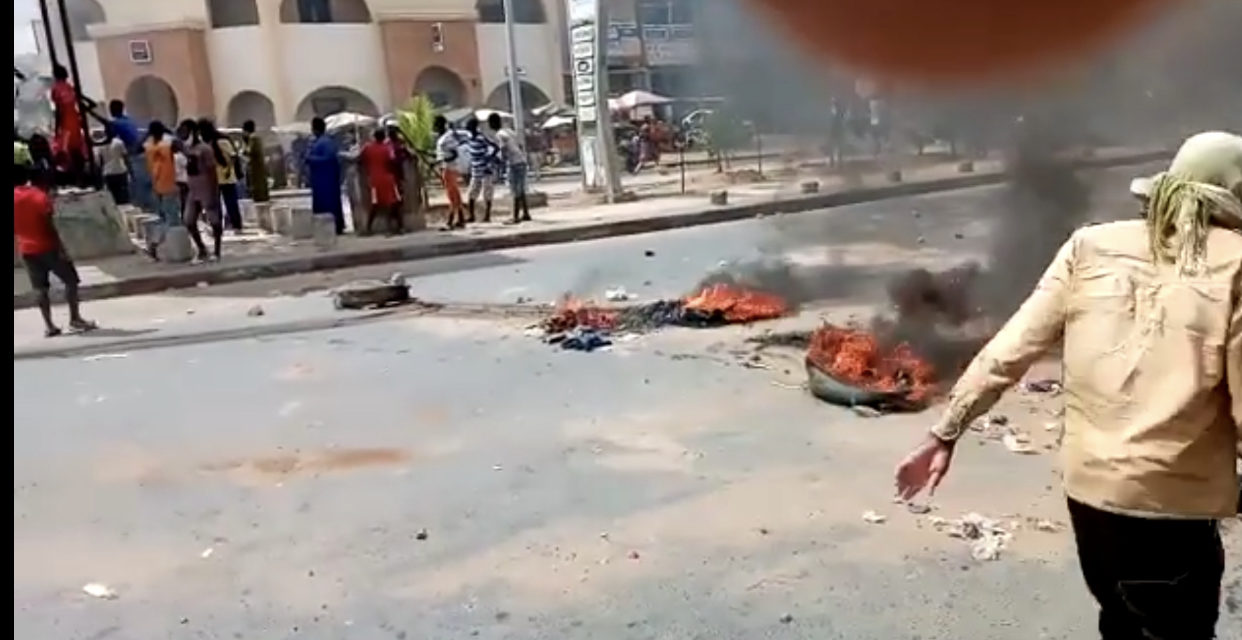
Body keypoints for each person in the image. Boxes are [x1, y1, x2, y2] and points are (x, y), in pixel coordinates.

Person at [895, 131, 1242, 640]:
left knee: (1120, 619)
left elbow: (1010, 348)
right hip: (1172, 513)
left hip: (1090, 502)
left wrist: (944, 433)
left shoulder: (1090, 245)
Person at [14, 159, 95, 337]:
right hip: (47, 246)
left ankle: (49, 325)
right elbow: (49, 224)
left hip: (27, 249)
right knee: (71, 280)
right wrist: (61, 247)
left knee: (40, 289)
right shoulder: (39, 196)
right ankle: (75, 319)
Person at [182, 120, 223, 261]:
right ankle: (201, 248)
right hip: (192, 190)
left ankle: (217, 251)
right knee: (188, 220)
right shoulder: (186, 149)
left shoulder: (205, 149)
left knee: (214, 220)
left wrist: (214, 190)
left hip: (206, 187)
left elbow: (212, 171)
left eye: (186, 131)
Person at [143, 121, 180, 259]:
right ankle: (155, 244)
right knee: (172, 220)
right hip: (169, 184)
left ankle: (158, 244)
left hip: (157, 184)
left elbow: (136, 148)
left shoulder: (149, 145)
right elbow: (179, 146)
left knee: (164, 217)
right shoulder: (167, 144)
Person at [488, 112, 532, 224]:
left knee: (515, 190)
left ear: (492, 124)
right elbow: (520, 145)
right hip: (521, 160)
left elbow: (503, 149)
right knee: (520, 189)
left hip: (514, 163)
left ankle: (515, 216)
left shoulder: (499, 134)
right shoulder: (509, 131)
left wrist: (500, 163)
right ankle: (526, 213)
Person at [109, 99, 151, 211]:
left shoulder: (115, 123)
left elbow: (109, 131)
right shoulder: (129, 120)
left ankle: (144, 210)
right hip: (142, 154)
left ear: (111, 110)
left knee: (138, 189)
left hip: (134, 155)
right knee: (146, 186)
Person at [200, 120, 243, 231]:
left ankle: (233, 224)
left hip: (224, 176)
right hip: (216, 178)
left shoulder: (221, 140)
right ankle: (223, 224)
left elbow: (233, 157)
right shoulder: (208, 142)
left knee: (229, 203)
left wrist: (229, 169)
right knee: (222, 203)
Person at [49, 64, 88, 185]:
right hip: (75, 120)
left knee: (66, 151)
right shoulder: (70, 87)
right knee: (76, 149)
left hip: (66, 122)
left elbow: (59, 110)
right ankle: (81, 177)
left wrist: (56, 128)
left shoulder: (56, 89)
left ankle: (75, 178)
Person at [358, 128, 402, 235]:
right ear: (384, 137)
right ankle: (395, 227)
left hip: (374, 178)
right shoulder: (388, 148)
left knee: (375, 204)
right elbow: (393, 161)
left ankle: (368, 228)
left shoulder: (368, 148)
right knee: (393, 202)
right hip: (387, 178)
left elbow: (360, 159)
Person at [305, 117, 344, 234]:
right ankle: (322, 226)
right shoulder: (316, 142)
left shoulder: (326, 142)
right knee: (320, 204)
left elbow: (330, 158)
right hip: (319, 179)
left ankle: (335, 226)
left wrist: (311, 159)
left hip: (327, 179)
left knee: (329, 203)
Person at [434, 115, 470, 229]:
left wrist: (441, 160)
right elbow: (443, 154)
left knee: (452, 195)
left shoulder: (448, 137)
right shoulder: (444, 137)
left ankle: (451, 221)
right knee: (455, 195)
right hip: (448, 168)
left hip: (449, 168)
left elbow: (454, 154)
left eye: (436, 125)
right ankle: (460, 219)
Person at [464, 117, 499, 223]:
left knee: (487, 193)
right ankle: (472, 216)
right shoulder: (469, 138)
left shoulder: (480, 138)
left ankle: (487, 216)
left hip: (485, 169)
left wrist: (490, 158)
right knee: (471, 193)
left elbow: (495, 147)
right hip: (475, 169)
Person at [98, 123, 130, 205]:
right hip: (120, 171)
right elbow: (125, 158)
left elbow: (101, 162)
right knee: (124, 198)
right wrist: (130, 172)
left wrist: (101, 177)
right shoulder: (119, 143)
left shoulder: (100, 144)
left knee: (112, 199)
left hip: (108, 174)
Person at [242, 120, 270, 203]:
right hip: (258, 167)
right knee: (260, 184)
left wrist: (244, 148)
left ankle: (261, 200)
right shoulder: (257, 138)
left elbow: (250, 151)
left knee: (258, 187)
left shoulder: (253, 138)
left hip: (256, 168)